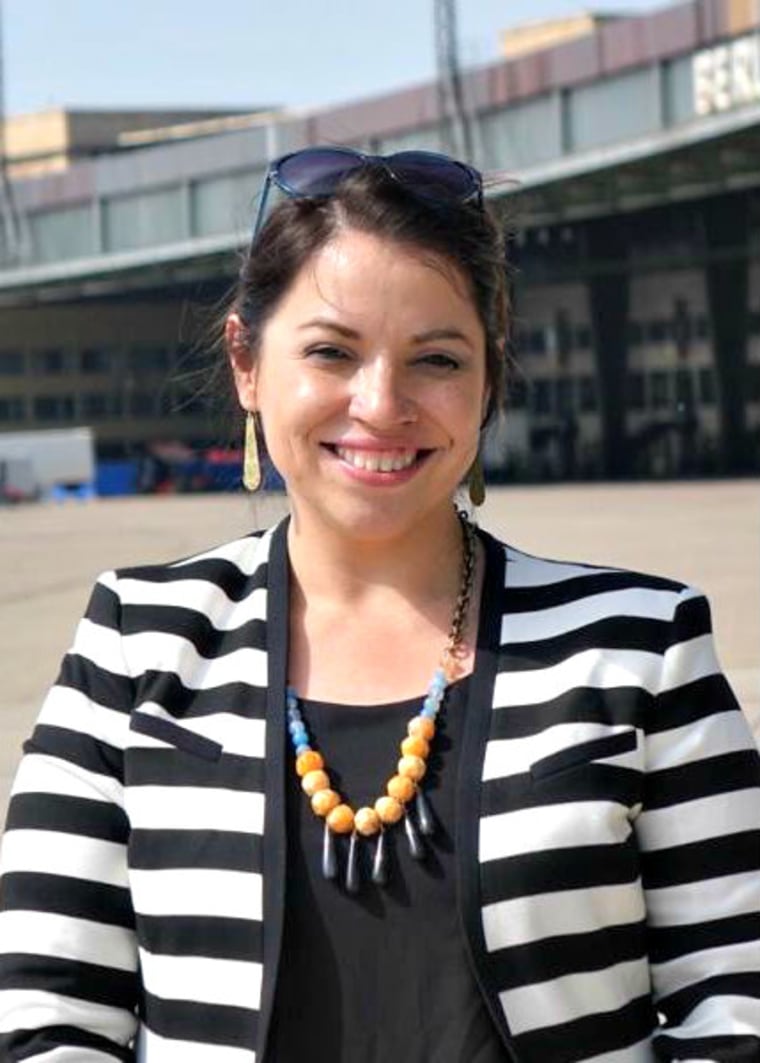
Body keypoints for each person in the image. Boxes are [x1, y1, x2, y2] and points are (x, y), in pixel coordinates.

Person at [0, 147, 759, 1063]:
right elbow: (49, 1012)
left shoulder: (640, 650)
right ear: (246, 362)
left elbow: (736, 997)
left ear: (489, 381)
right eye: (331, 350)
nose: (382, 404)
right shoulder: (134, 643)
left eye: (436, 358)